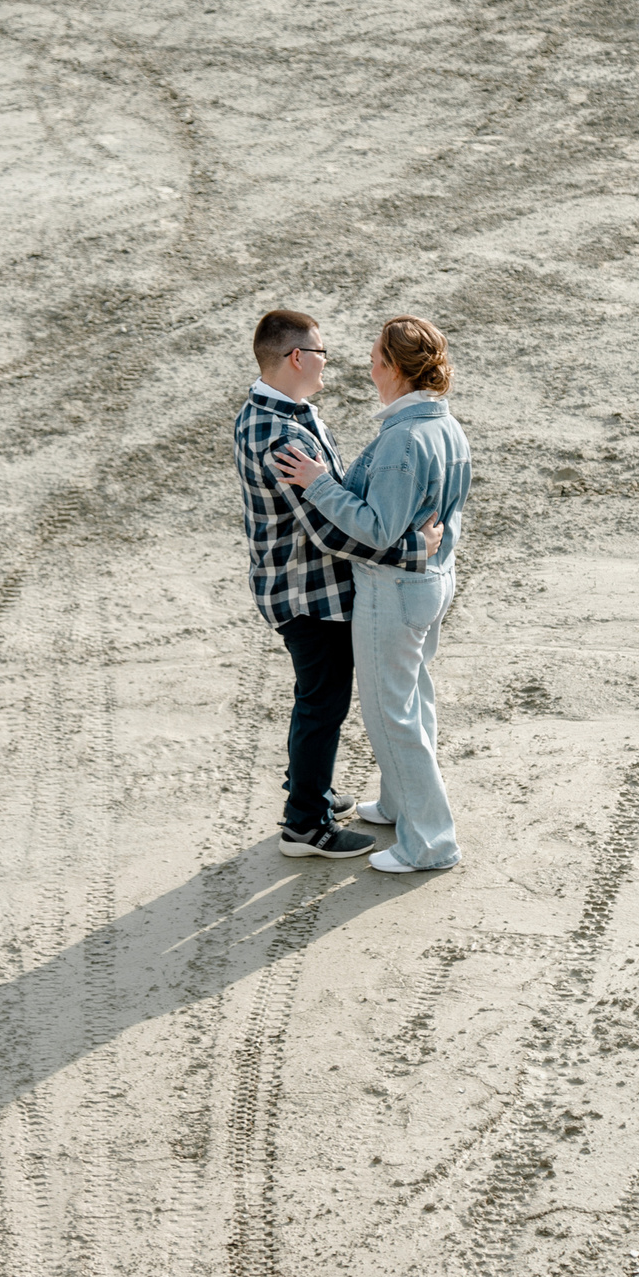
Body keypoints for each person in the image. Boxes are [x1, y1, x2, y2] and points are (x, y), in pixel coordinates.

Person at [232, 309, 441, 860]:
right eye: (321, 352)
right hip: (307, 591)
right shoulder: (282, 435)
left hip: (300, 583)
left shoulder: (280, 413)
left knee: (320, 699)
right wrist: (410, 550)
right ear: (297, 357)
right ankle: (305, 825)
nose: (329, 362)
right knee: (322, 703)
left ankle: (312, 792)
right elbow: (326, 532)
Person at [271, 315, 471, 873]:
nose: (368, 366)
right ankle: (395, 804)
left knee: (392, 717)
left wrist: (318, 484)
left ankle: (429, 843)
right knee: (415, 701)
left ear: (395, 369)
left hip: (394, 590)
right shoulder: (444, 425)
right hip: (433, 581)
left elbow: (377, 528)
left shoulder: (402, 440)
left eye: (376, 358)